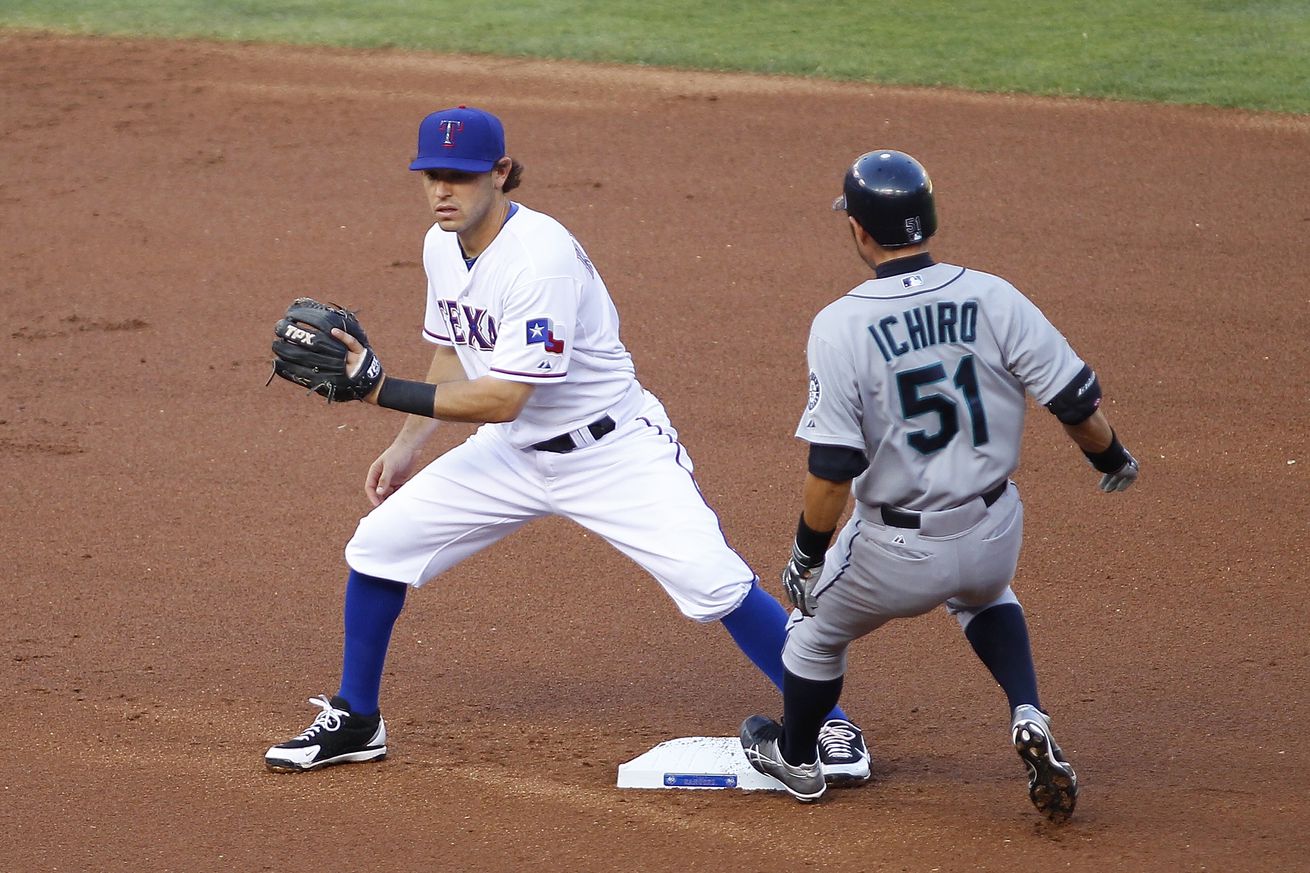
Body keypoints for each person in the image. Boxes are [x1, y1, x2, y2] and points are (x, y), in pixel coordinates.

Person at [264, 105, 870, 783]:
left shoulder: (540, 258)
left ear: (499, 173)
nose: (443, 190)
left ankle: (834, 722)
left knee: (715, 582)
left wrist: (380, 392)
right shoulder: (443, 243)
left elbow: (504, 395)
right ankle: (358, 717)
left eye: (459, 177)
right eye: (432, 174)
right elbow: (456, 353)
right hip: (513, 453)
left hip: (613, 452)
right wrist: (409, 444)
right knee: (377, 546)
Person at [739, 150, 1139, 818]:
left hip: (895, 550)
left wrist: (806, 554)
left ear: (859, 231)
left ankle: (799, 758)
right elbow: (1076, 405)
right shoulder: (994, 295)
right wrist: (1113, 461)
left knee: (809, 631)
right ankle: (1027, 712)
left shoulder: (841, 323)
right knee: (985, 597)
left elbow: (833, 469)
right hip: (994, 527)